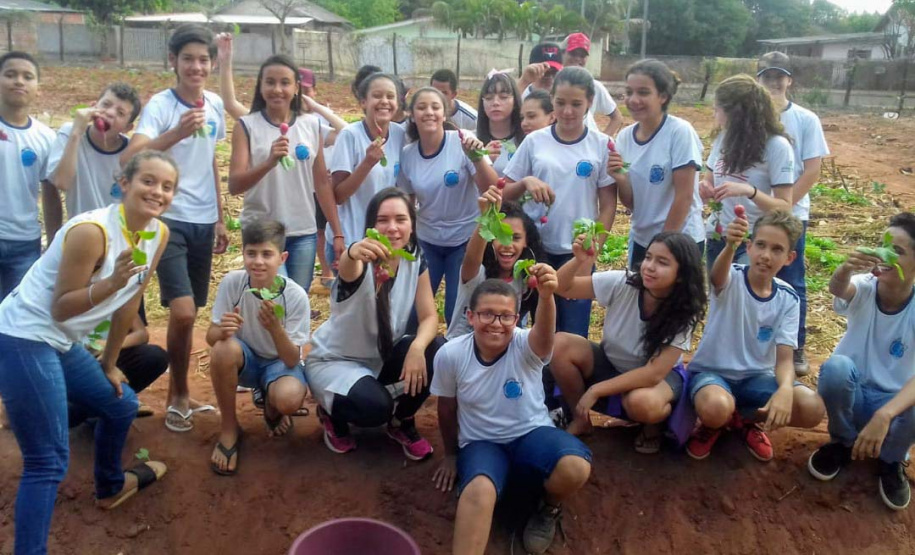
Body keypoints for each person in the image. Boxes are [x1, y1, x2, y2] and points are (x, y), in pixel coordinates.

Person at [0, 150, 176, 554]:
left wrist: (110, 363)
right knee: (47, 461)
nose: (158, 192)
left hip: (61, 340)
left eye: (167, 187)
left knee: (121, 404)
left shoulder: (157, 233)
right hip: (23, 336)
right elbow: (61, 307)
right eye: (148, 181)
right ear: (124, 183)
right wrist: (111, 282)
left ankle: (111, 487)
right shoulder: (92, 232)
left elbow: (131, 300)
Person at [431, 276, 592, 555]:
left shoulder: (525, 345)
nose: (496, 323)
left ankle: (548, 508)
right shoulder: (451, 354)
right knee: (479, 491)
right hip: (481, 443)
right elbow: (446, 408)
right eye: (486, 314)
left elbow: (544, 338)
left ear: (516, 319)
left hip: (531, 435)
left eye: (505, 316)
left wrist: (546, 297)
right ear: (470, 316)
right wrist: (451, 455)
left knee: (575, 467)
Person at [121, 24, 228, 433]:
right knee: (182, 312)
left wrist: (220, 216)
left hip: (204, 219)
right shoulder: (161, 105)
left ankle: (181, 393)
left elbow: (210, 159)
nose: (196, 67)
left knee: (191, 312)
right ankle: (175, 396)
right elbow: (132, 154)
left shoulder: (215, 104)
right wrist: (176, 132)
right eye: (188, 59)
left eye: (203, 60)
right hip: (168, 220)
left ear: (212, 64)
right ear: (173, 61)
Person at [305, 188, 444, 460]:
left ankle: (401, 420)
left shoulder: (414, 258)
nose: (392, 227)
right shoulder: (361, 261)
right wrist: (352, 252)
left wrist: (417, 348)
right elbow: (349, 268)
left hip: (380, 357)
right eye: (383, 220)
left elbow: (429, 316)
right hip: (336, 362)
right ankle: (332, 414)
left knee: (437, 349)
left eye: (401, 219)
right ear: (371, 227)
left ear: (412, 225)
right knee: (375, 407)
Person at [686, 210, 825, 462]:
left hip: (756, 379)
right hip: (712, 374)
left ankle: (744, 420)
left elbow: (784, 359)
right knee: (716, 407)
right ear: (748, 247)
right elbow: (716, 278)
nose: (766, 255)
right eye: (760, 245)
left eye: (777, 249)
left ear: (790, 258)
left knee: (811, 407)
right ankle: (716, 422)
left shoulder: (788, 298)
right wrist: (730, 245)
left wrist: (785, 389)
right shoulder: (731, 278)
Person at [550, 232, 707, 452]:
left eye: (662, 262)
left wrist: (596, 389)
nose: (650, 266)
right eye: (649, 257)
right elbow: (561, 287)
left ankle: (655, 425)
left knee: (643, 403)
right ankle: (581, 418)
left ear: (681, 275)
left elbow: (653, 373)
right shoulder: (623, 283)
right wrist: (579, 260)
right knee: (560, 345)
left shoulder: (683, 312)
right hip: (611, 363)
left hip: (656, 381)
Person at [808, 213, 915, 511]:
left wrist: (885, 414)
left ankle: (892, 459)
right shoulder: (866, 285)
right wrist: (844, 268)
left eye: (898, 251)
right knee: (836, 369)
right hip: (852, 395)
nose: (885, 255)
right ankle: (843, 442)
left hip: (893, 408)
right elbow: (838, 289)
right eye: (884, 245)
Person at [502, 66, 617, 337]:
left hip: (576, 253)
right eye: (561, 102)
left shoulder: (601, 144)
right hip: (535, 249)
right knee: (536, 331)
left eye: (576, 104)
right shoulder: (535, 141)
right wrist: (526, 182)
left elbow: (608, 205)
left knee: (572, 334)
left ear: (590, 102)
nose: (567, 111)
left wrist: (591, 252)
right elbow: (505, 192)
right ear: (552, 100)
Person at [227, 54, 341, 293]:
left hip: (303, 231)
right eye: (270, 82)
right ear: (260, 86)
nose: (277, 89)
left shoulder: (311, 125)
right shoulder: (246, 126)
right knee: (273, 299)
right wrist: (269, 162)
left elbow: (321, 183)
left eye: (285, 83)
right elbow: (235, 185)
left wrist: (337, 232)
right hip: (262, 231)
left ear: (296, 88)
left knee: (296, 298)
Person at [207, 220, 311, 475]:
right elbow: (211, 337)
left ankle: (271, 407)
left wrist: (275, 328)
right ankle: (229, 428)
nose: (258, 262)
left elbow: (291, 359)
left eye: (267, 254)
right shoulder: (233, 283)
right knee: (222, 349)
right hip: (247, 360)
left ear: (282, 258)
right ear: (243, 254)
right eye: (251, 253)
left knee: (289, 398)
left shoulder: (295, 296)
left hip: (279, 364)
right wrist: (224, 330)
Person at [398, 87, 498, 326]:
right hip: (428, 240)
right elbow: (407, 201)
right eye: (421, 107)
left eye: (435, 107)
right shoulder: (408, 154)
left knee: (456, 311)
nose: (429, 112)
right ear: (412, 115)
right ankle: (411, 347)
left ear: (444, 114)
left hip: (464, 240)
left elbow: (492, 188)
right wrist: (406, 240)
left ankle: (451, 349)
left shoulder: (463, 141)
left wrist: (476, 157)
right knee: (413, 311)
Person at [757, 51, 830, 377]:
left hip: (791, 215)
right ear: (758, 80)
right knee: (753, 277)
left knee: (791, 279)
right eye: (767, 76)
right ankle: (756, 346)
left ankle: (795, 345)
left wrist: (783, 208)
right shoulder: (751, 118)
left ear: (789, 80)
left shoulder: (805, 119)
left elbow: (812, 170)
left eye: (779, 76)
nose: (773, 82)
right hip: (755, 212)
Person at [611, 60, 705, 269]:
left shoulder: (679, 132)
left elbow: (684, 197)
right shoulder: (625, 137)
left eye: (643, 92)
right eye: (629, 92)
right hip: (642, 239)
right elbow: (632, 203)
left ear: (663, 96)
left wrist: (662, 246)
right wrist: (621, 178)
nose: (633, 99)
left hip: (679, 240)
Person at [700, 74, 794, 271]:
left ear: (736, 114)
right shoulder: (723, 139)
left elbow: (784, 207)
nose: (714, 115)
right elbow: (708, 181)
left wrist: (749, 191)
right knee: (718, 289)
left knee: (745, 288)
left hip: (752, 240)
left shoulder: (776, 146)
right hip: (718, 235)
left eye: (717, 110)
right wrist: (705, 188)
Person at [327, 72, 406, 270]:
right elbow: (339, 196)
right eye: (377, 96)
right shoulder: (350, 135)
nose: (384, 101)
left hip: (383, 239)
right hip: (352, 240)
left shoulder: (400, 134)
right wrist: (367, 163)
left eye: (390, 96)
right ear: (363, 102)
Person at [446, 186, 542, 339]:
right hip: (462, 348)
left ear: (526, 242)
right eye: (499, 235)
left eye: (516, 238)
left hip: (501, 349)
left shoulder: (525, 277)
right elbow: (471, 258)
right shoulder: (477, 272)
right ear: (489, 238)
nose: (507, 244)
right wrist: (487, 217)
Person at [0, 51, 58, 300]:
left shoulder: (46, 137)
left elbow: (51, 193)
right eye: (10, 74)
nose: (19, 81)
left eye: (27, 76)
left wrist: (54, 244)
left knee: (17, 312)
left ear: (37, 88)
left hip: (25, 243)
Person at [47, 82, 141, 216]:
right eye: (106, 104)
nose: (109, 113)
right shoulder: (70, 132)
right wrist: (76, 133)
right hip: (81, 226)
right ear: (93, 107)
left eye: (120, 113)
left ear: (127, 128)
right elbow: (62, 183)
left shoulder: (130, 153)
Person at [560, 32, 623, 136]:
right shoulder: (551, 83)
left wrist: (603, 142)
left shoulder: (594, 86)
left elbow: (617, 117)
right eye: (573, 53)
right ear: (562, 54)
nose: (577, 59)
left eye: (582, 56)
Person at [475, 71, 523, 177]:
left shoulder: (527, 139)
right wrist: (482, 159)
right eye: (489, 98)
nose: (495, 103)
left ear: (515, 101)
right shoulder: (472, 141)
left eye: (504, 97)